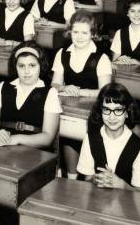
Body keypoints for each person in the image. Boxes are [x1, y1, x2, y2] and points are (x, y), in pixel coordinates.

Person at [51, 10, 112, 179]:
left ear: (93, 34)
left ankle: (88, 177)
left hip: (94, 115)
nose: (79, 36)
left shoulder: (101, 58)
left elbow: (105, 91)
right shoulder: (61, 54)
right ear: (69, 32)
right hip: (69, 111)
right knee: (67, 135)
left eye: (84, 33)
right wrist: (64, 88)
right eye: (75, 32)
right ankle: (70, 177)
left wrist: (79, 91)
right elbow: (55, 84)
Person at [0, 42, 61, 148]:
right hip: (3, 146)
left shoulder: (50, 93)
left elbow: (47, 138)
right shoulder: (3, 87)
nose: (26, 71)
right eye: (21, 66)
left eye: (32, 65)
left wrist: (16, 139)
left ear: (41, 66)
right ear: (15, 67)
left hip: (34, 152)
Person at [77, 83, 140, 191]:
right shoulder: (90, 138)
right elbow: (86, 181)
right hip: (96, 203)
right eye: (106, 110)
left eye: (118, 110)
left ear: (127, 112)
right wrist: (96, 179)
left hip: (125, 205)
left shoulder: (138, 147)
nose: (112, 117)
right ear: (100, 111)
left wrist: (121, 184)